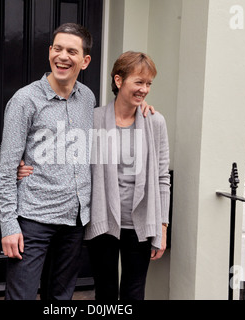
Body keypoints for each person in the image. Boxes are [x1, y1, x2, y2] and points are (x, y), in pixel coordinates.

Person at [0, 23, 95, 300]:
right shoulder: (25, 100)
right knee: (21, 297)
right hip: (33, 219)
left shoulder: (87, 98)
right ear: (50, 51)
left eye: (72, 51)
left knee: (60, 299)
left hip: (74, 219)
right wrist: (9, 225)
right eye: (58, 48)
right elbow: (6, 170)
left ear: (84, 61)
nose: (63, 56)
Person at [85, 51, 171, 300]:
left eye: (148, 84)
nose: (144, 89)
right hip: (103, 220)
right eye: (139, 82)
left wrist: (162, 228)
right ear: (119, 80)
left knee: (134, 291)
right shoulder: (94, 119)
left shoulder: (154, 122)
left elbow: (162, 178)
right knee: (105, 291)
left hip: (140, 223)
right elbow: (74, 161)